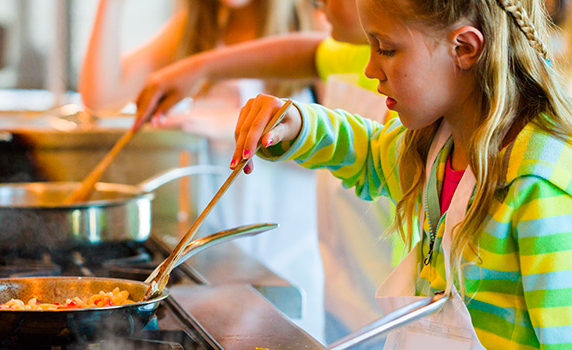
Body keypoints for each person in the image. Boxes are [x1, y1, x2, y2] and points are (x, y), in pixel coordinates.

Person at [231, 0, 572, 348]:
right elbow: (370, 153)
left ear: (465, 49)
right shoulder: (441, 145)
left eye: (387, 50)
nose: (370, 69)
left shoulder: (539, 185)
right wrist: (301, 125)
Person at [131, 0, 398, 343]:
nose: (319, 3)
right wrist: (201, 68)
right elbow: (312, 54)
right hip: (342, 300)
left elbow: (370, 151)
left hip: (389, 313)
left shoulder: (388, 67)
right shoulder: (360, 55)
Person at [79, 0, 326, 340]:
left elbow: (344, 141)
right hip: (214, 258)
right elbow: (101, 96)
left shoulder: (315, 27)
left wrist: (229, 124)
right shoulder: (197, 28)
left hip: (285, 259)